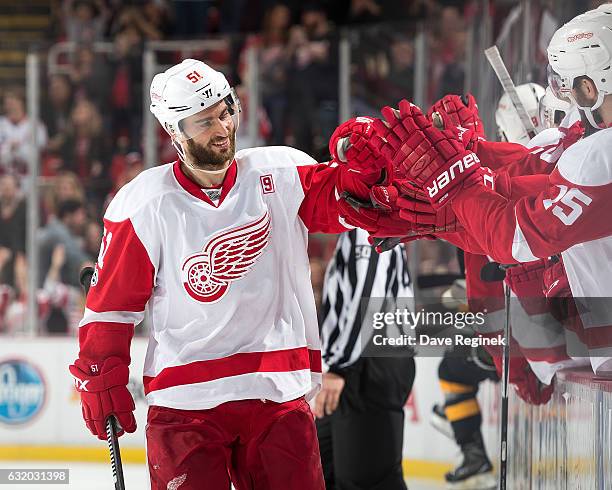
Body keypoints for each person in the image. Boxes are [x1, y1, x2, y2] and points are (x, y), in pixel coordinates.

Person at [68, 58, 397, 490]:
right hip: (185, 402)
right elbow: (112, 305)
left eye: (226, 111)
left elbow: (343, 202)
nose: (222, 128)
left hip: (275, 389)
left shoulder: (280, 173)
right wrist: (100, 369)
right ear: (174, 132)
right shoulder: (144, 203)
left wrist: (371, 176)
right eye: (204, 122)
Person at [372, 6, 612, 375]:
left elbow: (515, 237)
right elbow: (532, 184)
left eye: (572, 86)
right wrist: (460, 190)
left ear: (589, 84)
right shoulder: (593, 152)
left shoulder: (601, 153)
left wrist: (456, 182)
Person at [316, 228, 415, 490]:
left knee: (367, 481)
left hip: (365, 363)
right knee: (326, 476)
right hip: (356, 363)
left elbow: (369, 300)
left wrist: (339, 367)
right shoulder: (358, 227)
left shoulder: (367, 227)